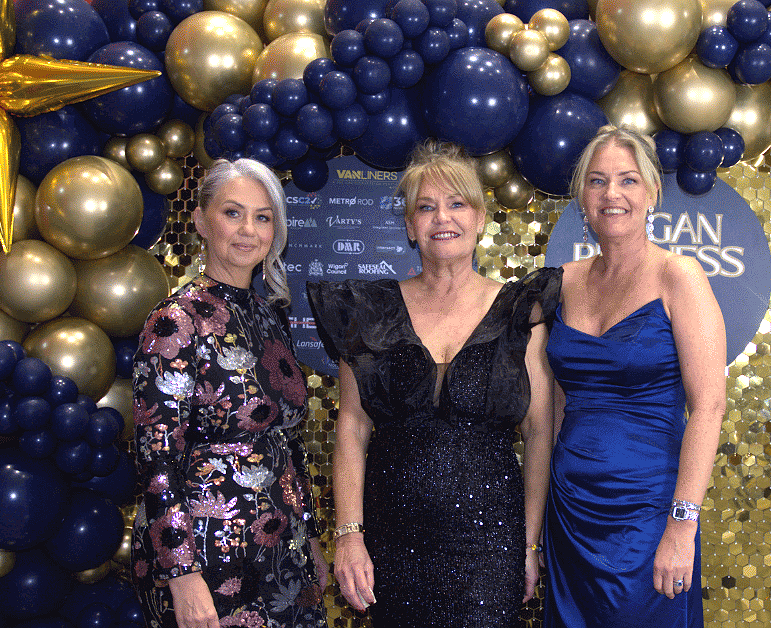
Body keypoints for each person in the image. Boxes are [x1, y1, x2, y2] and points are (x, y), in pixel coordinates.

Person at [306, 141, 557, 628]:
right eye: (426, 206)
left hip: (489, 545)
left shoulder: (520, 313)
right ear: (409, 226)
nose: (443, 217)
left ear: (480, 218)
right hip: (392, 544)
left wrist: (529, 543)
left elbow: (540, 432)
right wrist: (350, 535)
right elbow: (353, 429)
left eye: (457, 203)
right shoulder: (367, 311)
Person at [132, 158, 328, 628]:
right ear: (200, 220)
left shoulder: (267, 315)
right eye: (232, 213)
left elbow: (286, 441)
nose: (249, 230)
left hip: (283, 548)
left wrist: (311, 538)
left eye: (262, 217)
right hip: (209, 554)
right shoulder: (175, 322)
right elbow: (155, 461)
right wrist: (182, 576)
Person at [543, 126, 727, 628]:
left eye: (627, 180)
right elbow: (556, 406)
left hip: (648, 514)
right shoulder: (562, 281)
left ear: (650, 192)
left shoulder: (679, 276)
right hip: (570, 510)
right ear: (582, 196)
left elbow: (709, 407)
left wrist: (682, 526)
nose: (612, 194)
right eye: (598, 181)